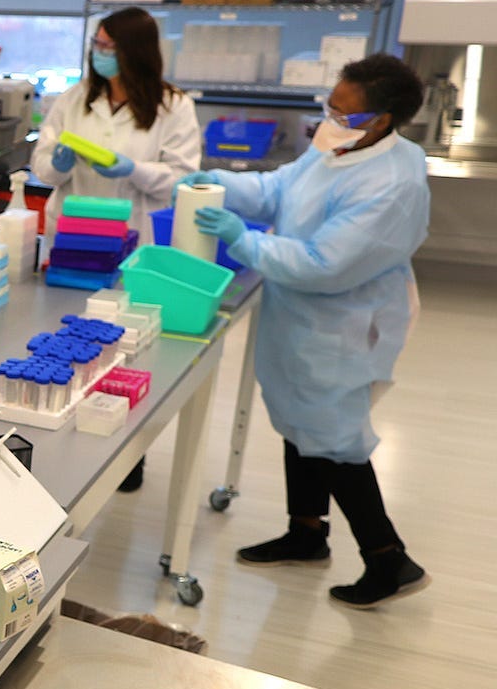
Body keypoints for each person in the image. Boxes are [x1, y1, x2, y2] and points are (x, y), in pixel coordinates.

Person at [182, 54, 430, 608]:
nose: (329, 119)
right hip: (300, 311)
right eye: (329, 106)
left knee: (336, 438)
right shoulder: (342, 146)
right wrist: (219, 184)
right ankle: (307, 532)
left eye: (342, 112)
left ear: (382, 120)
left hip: (342, 320)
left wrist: (242, 240)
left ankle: (389, 560)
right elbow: (278, 191)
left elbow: (324, 263)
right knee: (300, 420)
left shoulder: (393, 182)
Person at [31, 7, 201, 242]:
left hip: (134, 234)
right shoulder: (74, 98)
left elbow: (182, 181)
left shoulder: (174, 106)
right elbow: (42, 168)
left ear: (135, 52)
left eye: (108, 47)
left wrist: (134, 170)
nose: (98, 52)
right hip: (72, 232)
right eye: (97, 43)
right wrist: (57, 167)